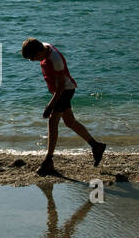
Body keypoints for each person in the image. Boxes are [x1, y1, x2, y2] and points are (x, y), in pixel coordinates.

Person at [21, 38, 106, 176]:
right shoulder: (43, 47)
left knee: (52, 121)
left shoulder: (55, 59)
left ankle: (48, 161)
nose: (34, 61)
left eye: (33, 58)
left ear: (39, 52)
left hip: (65, 91)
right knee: (70, 122)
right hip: (61, 91)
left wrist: (51, 104)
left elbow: (61, 87)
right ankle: (96, 146)